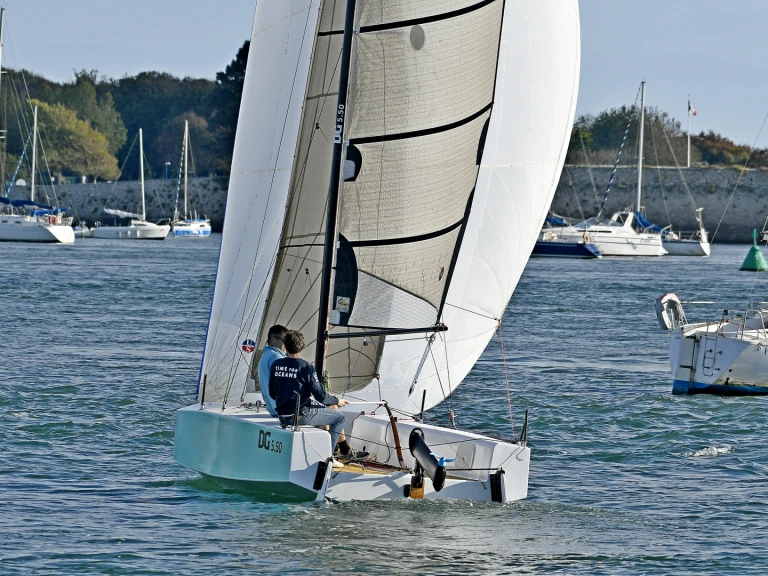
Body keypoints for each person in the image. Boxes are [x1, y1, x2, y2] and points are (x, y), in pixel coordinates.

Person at [270, 330, 349, 454]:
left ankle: (333, 450)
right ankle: (329, 455)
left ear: (285, 345)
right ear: (302, 346)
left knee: (326, 408)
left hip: (282, 416)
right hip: (300, 415)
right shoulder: (306, 367)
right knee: (340, 418)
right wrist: (337, 401)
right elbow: (321, 397)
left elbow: (272, 393)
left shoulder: (276, 364)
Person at [257, 324, 287, 417]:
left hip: (274, 409)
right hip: (283, 410)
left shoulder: (266, 355)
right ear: (273, 339)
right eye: (285, 340)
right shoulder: (276, 357)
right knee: (332, 413)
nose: (287, 344)